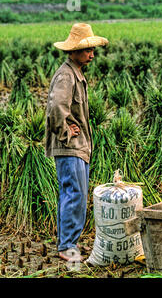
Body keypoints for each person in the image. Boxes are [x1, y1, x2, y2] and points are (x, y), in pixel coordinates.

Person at [45, 23, 108, 262]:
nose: (92, 54)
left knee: (73, 193)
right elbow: (55, 107)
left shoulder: (75, 73)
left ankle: (67, 242)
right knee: (74, 194)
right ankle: (67, 246)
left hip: (77, 145)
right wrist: (66, 133)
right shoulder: (66, 75)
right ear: (74, 51)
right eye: (87, 50)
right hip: (70, 147)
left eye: (93, 49)